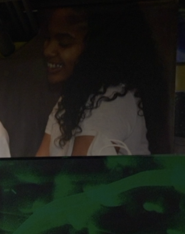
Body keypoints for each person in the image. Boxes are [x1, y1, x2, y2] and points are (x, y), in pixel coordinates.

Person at [36, 6, 169, 157]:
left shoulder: (112, 100)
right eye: (48, 39)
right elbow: (38, 165)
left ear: (97, 48)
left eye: (64, 42)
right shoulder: (70, 99)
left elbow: (80, 176)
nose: (48, 50)